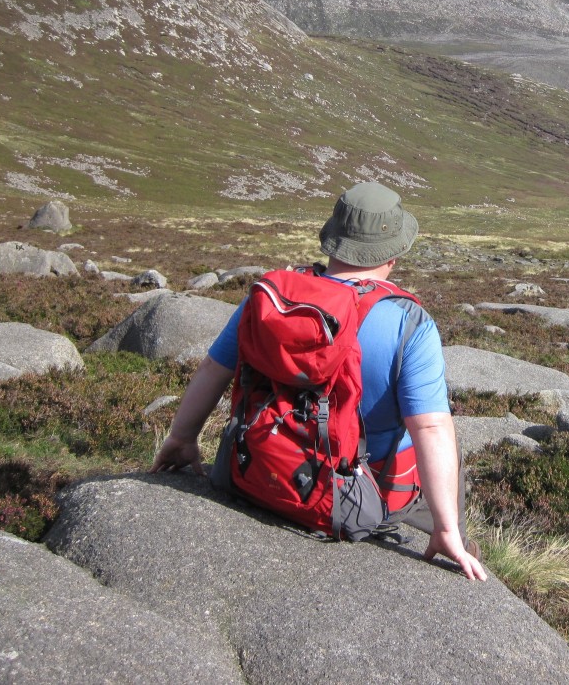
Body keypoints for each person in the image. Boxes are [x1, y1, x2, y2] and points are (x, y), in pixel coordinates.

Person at [151, 181, 486, 581]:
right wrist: (447, 527)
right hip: (350, 495)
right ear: (394, 253)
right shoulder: (409, 323)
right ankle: (452, 538)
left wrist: (181, 438)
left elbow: (212, 371)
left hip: (250, 465)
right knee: (446, 435)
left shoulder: (271, 297)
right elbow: (429, 426)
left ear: (332, 242)